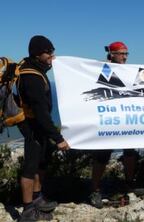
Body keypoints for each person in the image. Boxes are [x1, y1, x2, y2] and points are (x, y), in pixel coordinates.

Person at [17, 35, 70, 221]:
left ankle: (37, 198)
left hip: (39, 126)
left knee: (42, 161)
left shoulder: (36, 68)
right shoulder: (31, 76)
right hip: (33, 126)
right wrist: (58, 138)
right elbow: (40, 111)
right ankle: (28, 209)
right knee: (30, 167)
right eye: (49, 52)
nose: (52, 56)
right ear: (38, 53)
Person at [89, 41, 144, 209]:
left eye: (127, 53)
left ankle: (129, 184)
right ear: (112, 54)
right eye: (121, 53)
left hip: (125, 118)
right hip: (109, 119)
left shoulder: (128, 70)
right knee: (103, 154)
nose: (125, 57)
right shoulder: (103, 68)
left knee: (130, 151)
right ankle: (94, 190)